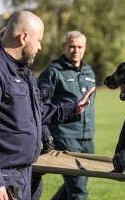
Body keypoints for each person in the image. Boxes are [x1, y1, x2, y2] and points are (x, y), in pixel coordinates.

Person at [0, 10, 95, 200]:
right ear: (24, 37)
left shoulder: (25, 73)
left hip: (28, 174)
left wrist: (74, 108)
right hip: (4, 178)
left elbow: (37, 112)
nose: (40, 47)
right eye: (39, 40)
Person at [38, 30, 96, 200]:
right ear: (64, 46)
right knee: (79, 190)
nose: (75, 50)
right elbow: (40, 106)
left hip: (87, 137)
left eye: (79, 47)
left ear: (85, 48)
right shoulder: (53, 72)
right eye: (71, 46)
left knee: (77, 182)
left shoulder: (89, 72)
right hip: (65, 136)